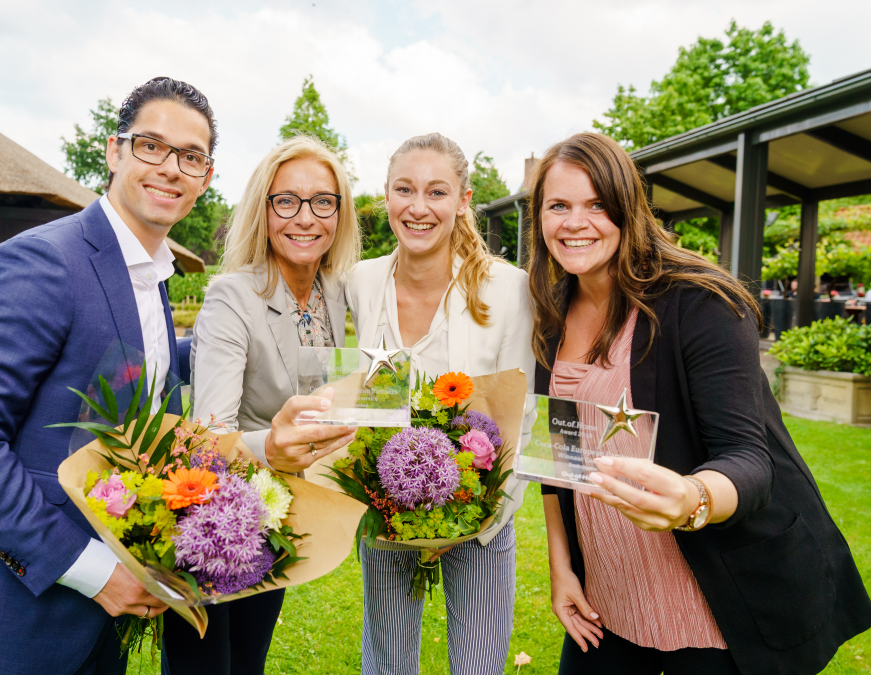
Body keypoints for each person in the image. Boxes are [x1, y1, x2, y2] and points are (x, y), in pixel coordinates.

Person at [0, 76, 219, 675]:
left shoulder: (151, 275)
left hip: (113, 608)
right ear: (114, 150)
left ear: (206, 177)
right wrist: (96, 574)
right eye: (151, 145)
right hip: (31, 609)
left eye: (191, 156)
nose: (170, 168)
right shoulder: (42, 260)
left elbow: (130, 372)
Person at [526, 132, 871, 675]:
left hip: (716, 601)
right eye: (558, 205)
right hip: (608, 598)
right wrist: (562, 565)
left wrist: (690, 497)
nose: (575, 222)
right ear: (539, 218)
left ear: (628, 207)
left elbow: (748, 459)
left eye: (597, 204)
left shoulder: (700, 301)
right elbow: (558, 456)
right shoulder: (550, 315)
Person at [345, 132, 536, 675]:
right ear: (385, 196)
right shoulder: (362, 281)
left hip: (482, 513)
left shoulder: (507, 289)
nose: (418, 207)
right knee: (386, 658)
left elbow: (519, 416)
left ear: (463, 200)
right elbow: (358, 390)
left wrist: (481, 515)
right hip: (384, 508)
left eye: (437, 191)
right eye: (404, 190)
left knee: (477, 662)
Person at [182, 135, 360, 675]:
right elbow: (207, 437)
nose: (305, 217)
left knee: (249, 661)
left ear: (339, 213)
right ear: (263, 210)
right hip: (211, 519)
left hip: (277, 515)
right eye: (287, 200)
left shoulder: (335, 291)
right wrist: (276, 446)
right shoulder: (232, 296)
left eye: (322, 201)